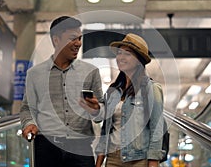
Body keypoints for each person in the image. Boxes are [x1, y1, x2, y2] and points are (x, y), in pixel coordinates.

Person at [20, 16, 103, 167]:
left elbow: (101, 113)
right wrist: (29, 123)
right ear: (56, 40)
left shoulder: (91, 72)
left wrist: (97, 109)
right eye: (73, 38)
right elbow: (27, 107)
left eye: (79, 38)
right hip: (46, 147)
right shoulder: (34, 74)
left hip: (81, 148)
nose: (78, 43)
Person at [95, 33, 166, 167]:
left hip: (139, 159)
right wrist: (99, 162)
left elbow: (156, 129)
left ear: (139, 60)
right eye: (119, 53)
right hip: (113, 158)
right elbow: (105, 130)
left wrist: (153, 162)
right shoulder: (113, 91)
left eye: (127, 54)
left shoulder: (151, 89)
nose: (121, 57)